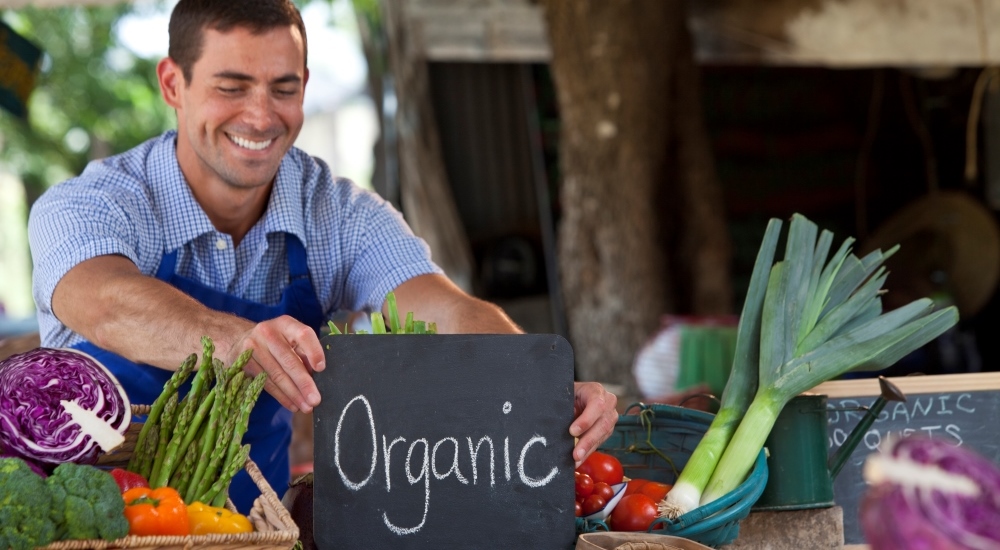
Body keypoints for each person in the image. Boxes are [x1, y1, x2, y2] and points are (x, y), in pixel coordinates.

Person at [27, 0, 618, 512]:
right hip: (92, 526)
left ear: (304, 87)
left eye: (283, 89)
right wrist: (237, 343)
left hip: (251, 528)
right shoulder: (93, 203)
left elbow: (448, 310)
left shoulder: (339, 214)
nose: (260, 116)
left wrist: (536, 377)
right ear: (172, 85)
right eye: (231, 87)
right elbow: (101, 300)